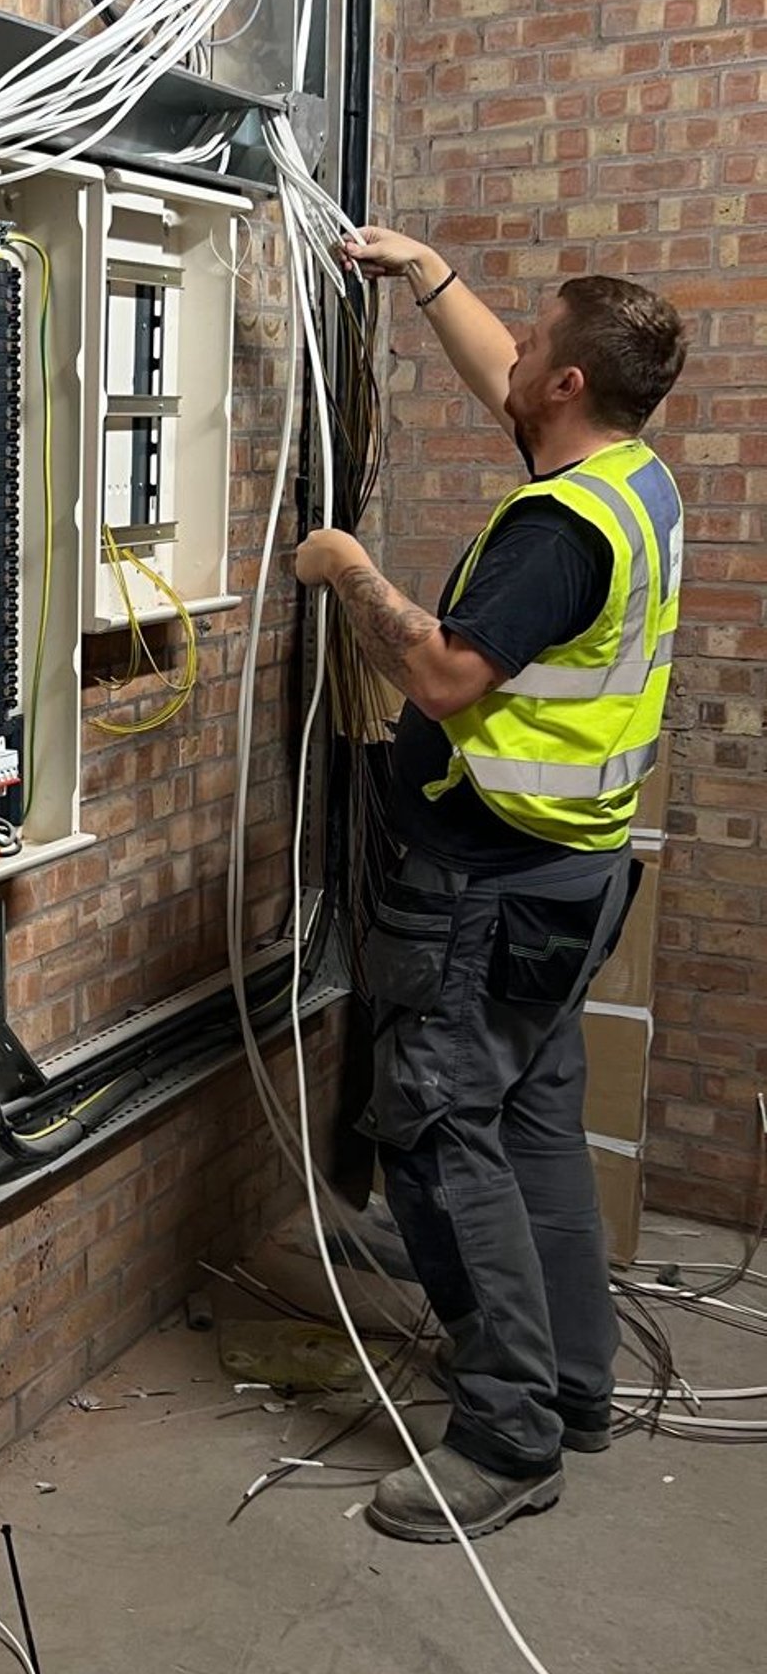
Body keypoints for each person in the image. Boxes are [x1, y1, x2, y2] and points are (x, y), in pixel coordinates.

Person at [294, 232, 687, 1543]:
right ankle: (574, 1384)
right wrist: (426, 277)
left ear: (567, 386)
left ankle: (508, 1433)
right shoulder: (628, 481)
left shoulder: (552, 538)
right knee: (529, 1124)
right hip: (572, 882)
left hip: (489, 886)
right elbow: (503, 378)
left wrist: (348, 569)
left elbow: (449, 679)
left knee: (440, 1128)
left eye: (531, 342)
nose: (510, 353)